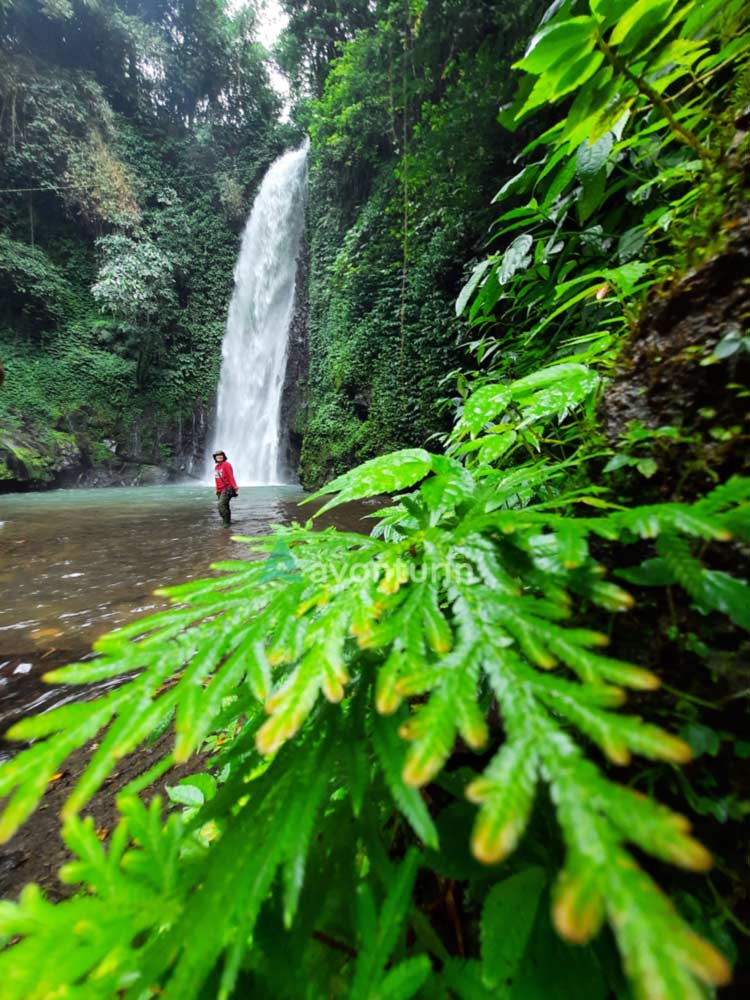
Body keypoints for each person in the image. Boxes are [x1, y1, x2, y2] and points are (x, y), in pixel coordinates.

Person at [213, 450, 238, 527]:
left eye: (221, 455)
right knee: (225, 505)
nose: (219, 457)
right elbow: (217, 479)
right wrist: (217, 490)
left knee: (221, 505)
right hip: (220, 490)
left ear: (224, 456)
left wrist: (235, 486)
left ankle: (226, 523)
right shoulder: (216, 467)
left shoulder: (226, 465)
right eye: (217, 456)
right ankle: (227, 520)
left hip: (227, 488)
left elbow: (231, 476)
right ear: (215, 458)